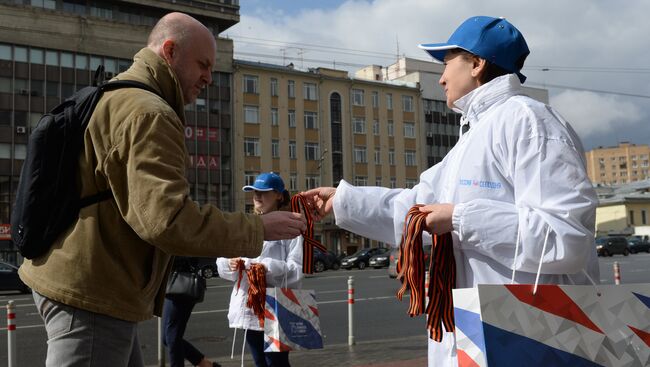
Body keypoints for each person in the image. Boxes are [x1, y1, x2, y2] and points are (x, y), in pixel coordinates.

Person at [302, 16, 598, 366]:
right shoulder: (471, 139)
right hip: (481, 334)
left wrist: (458, 218)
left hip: (530, 336)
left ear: (476, 63)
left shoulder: (529, 122)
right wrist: (343, 200)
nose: (441, 77)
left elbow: (567, 238)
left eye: (446, 64)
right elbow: (416, 208)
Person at [18, 12, 305, 367]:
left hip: (86, 281)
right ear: (169, 51)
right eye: (202, 65)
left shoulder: (119, 94)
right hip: (91, 292)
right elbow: (165, 221)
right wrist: (258, 229)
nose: (208, 79)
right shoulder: (150, 113)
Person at [217, 172, 303, 367]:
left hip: (276, 306)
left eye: (263, 192)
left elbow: (296, 271)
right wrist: (230, 263)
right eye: (255, 191)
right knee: (259, 362)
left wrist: (264, 268)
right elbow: (223, 258)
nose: (257, 196)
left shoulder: (291, 226)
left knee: (277, 362)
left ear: (279, 195)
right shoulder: (247, 224)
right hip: (250, 307)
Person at [162, 257, 220, 367]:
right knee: (167, 338)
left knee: (172, 336)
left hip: (183, 280)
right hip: (173, 280)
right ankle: (205, 364)